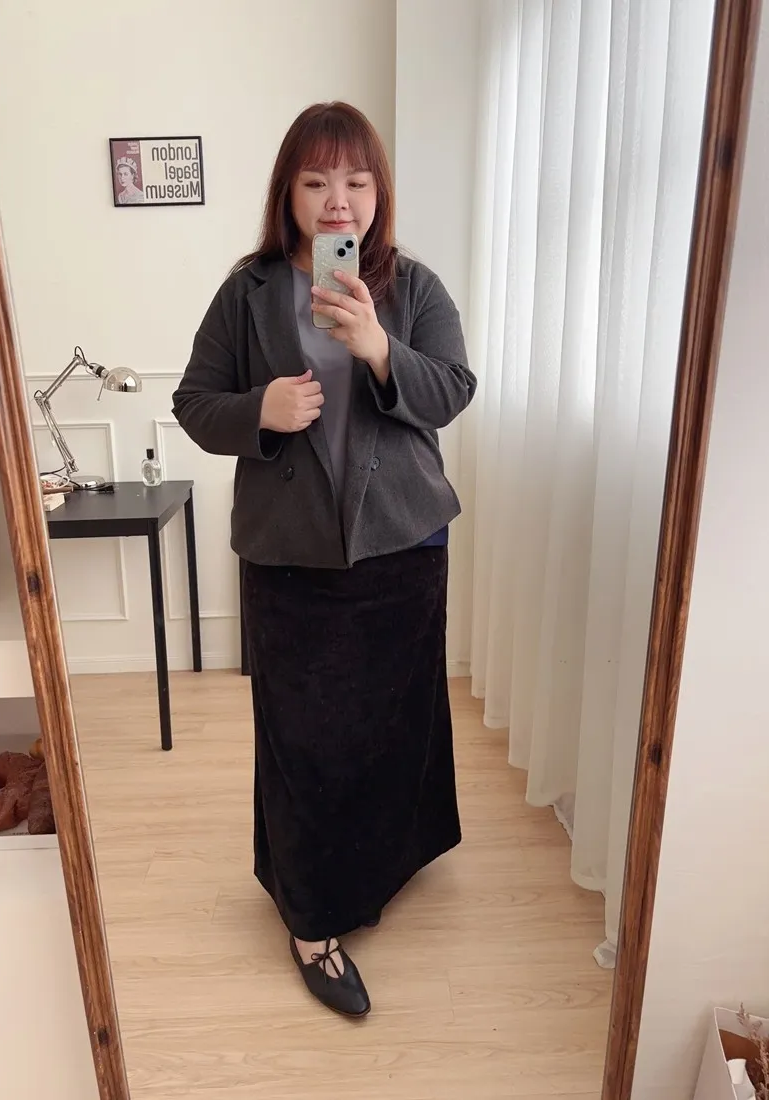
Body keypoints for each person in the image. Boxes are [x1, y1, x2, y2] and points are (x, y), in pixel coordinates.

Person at [171, 101, 476, 1018]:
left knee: (392, 725)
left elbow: (452, 390)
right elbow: (195, 402)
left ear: (378, 192)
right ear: (289, 194)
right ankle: (310, 918)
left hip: (403, 547)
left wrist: (380, 350)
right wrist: (259, 412)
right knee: (302, 739)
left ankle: (382, 866)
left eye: (355, 180)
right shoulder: (248, 291)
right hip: (289, 558)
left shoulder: (413, 287)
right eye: (316, 181)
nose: (338, 200)